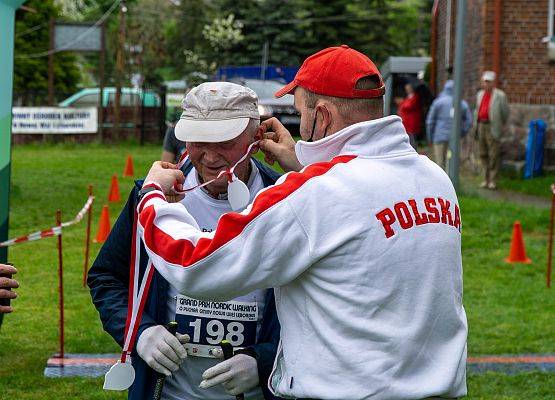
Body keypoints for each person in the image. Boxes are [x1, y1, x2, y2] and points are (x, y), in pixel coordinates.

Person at [136, 45, 468, 399]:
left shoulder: (317, 191)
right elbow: (356, 209)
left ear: (321, 116)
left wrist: (153, 195)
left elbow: (195, 263)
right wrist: (304, 162)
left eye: (301, 113)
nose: (300, 125)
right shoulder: (432, 177)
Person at [88, 82, 282, 400]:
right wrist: (140, 332)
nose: (210, 156)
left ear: (255, 138)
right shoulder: (152, 198)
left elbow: (316, 300)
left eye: (225, 141)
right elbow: (106, 277)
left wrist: (266, 360)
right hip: (169, 391)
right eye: (197, 141)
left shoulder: (285, 197)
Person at [473, 71, 510, 190]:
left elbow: (505, 113)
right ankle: (485, 178)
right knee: (482, 153)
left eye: (488, 81)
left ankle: (493, 180)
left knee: (493, 153)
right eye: (484, 81)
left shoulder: (500, 95)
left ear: (493, 82)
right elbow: (477, 110)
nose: (486, 84)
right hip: (481, 125)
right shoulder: (480, 94)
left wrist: (500, 125)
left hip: (492, 126)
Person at [426, 80, 473, 171]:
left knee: (439, 164)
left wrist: (430, 137)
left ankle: (440, 183)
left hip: (439, 137)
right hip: (454, 137)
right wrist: (462, 132)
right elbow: (469, 120)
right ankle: (451, 183)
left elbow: (430, 122)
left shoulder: (438, 102)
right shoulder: (461, 103)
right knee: (452, 164)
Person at [397, 79, 422, 150]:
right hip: (406, 123)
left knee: (412, 139)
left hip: (412, 123)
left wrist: (402, 103)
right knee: (408, 139)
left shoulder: (415, 97)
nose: (407, 90)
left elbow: (408, 106)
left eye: (408, 88)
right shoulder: (408, 97)